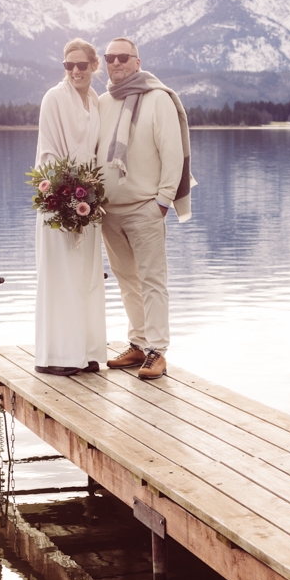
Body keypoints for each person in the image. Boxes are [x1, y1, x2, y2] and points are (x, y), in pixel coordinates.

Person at [96, 37, 194, 380]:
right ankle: (137, 344)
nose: (116, 62)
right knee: (126, 280)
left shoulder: (158, 99)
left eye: (123, 57)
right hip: (109, 211)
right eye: (110, 57)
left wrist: (163, 201)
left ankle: (157, 351)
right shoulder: (103, 101)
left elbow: (171, 152)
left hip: (145, 208)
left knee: (152, 280)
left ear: (137, 62)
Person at [33, 38, 108, 376]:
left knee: (86, 275)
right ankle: (58, 355)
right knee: (61, 275)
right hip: (60, 200)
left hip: (88, 201)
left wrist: (89, 195)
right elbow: (48, 152)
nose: (75, 71)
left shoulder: (94, 99)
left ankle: (87, 351)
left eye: (81, 65)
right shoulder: (54, 98)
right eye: (69, 65)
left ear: (94, 66)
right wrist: (66, 195)